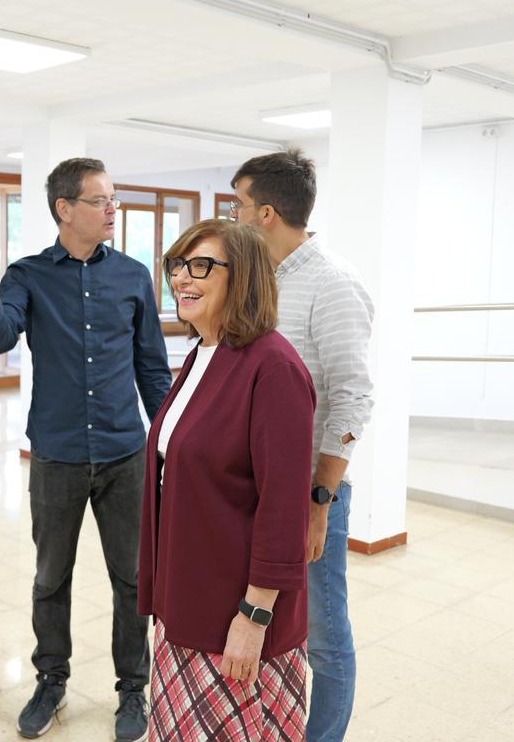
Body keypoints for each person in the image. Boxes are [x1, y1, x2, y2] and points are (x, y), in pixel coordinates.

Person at [0, 158, 171, 741]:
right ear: (65, 209)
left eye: (114, 199)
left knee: (133, 580)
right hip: (58, 455)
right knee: (50, 577)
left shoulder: (133, 275)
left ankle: (133, 690)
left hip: (125, 453)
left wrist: (172, 439)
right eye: (101, 200)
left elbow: (151, 366)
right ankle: (51, 679)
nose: (113, 208)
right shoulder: (27, 275)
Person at [139, 219, 315, 741]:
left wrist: (253, 616)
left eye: (202, 266)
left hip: (235, 613)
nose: (181, 279)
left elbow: (284, 508)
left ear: (244, 278)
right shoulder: (201, 354)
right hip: (188, 596)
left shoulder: (273, 367)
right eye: (177, 265)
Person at [230, 149, 374, 742]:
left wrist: (321, 499)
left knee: (323, 634)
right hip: (252, 490)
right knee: (265, 626)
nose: (232, 216)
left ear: (265, 212)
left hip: (309, 494)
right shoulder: (258, 279)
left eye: (237, 204)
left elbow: (353, 398)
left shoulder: (334, 284)